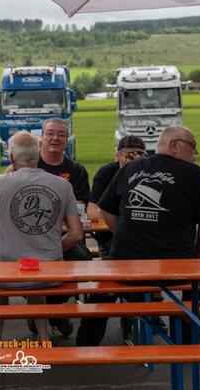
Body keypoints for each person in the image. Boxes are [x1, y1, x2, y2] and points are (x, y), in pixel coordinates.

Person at [98, 125, 200, 343]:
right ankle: (188, 339)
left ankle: (88, 343)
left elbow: (106, 209)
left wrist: (123, 234)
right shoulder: (194, 173)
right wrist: (198, 253)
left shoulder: (130, 168)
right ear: (174, 145)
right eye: (193, 147)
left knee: (101, 287)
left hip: (126, 266)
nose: (196, 153)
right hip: (174, 269)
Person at [0, 131, 83, 344]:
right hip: (50, 274)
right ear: (38, 154)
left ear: (12, 158)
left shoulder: (1, 181)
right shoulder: (63, 184)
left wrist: (6, 176)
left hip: (11, 273)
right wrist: (54, 251)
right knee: (35, 266)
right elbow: (76, 234)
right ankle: (44, 336)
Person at [75, 135, 147, 346]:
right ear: (117, 155)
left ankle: (146, 316)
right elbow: (93, 210)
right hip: (111, 238)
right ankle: (88, 339)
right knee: (109, 287)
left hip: (143, 240)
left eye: (139, 154)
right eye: (128, 154)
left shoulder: (150, 173)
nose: (133, 158)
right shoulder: (107, 173)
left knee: (144, 282)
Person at [35, 117, 92, 337]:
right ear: (42, 137)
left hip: (65, 237)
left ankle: (51, 310)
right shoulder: (30, 166)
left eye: (61, 134)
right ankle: (51, 313)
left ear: (67, 140)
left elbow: (77, 212)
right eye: (50, 133)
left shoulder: (76, 170)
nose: (55, 138)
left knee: (83, 261)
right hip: (34, 239)